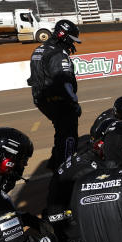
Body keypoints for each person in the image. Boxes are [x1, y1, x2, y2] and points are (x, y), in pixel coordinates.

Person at [28, 19, 82, 168]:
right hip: (57, 99)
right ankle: (66, 167)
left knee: (60, 129)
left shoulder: (39, 49)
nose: (72, 44)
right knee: (69, 133)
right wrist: (73, 103)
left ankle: (55, 160)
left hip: (41, 99)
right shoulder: (58, 54)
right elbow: (64, 81)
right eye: (71, 40)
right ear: (63, 36)